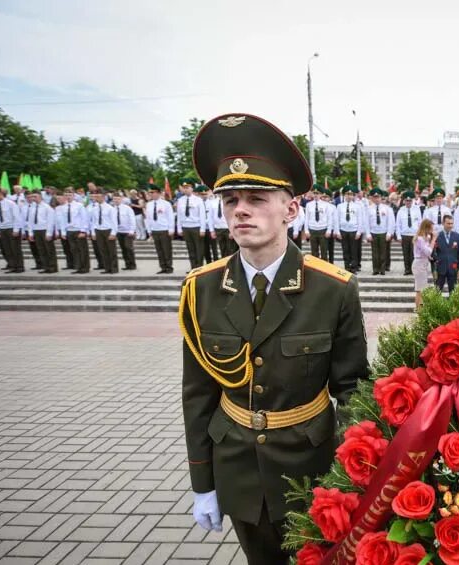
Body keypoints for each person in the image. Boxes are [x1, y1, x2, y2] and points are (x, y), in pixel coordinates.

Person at [181, 113, 369, 565]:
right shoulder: (201, 289)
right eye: (231, 200)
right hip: (238, 472)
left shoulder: (332, 288)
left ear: (291, 209)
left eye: (257, 198)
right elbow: (198, 394)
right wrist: (203, 483)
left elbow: (353, 391)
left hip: (310, 468)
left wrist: (355, 480)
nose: (240, 210)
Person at [0, 184, 25, 272]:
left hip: (11, 228)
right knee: (6, 249)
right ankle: (11, 265)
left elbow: (17, 217)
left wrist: (16, 230)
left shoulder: (10, 203)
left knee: (15, 249)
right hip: (1, 229)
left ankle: (19, 267)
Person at [176, 178, 206, 271]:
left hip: (196, 227)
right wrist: (179, 228)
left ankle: (199, 267)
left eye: (188, 187)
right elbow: (179, 215)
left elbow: (202, 215)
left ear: (192, 188)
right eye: (184, 187)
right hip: (186, 227)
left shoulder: (198, 200)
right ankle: (193, 267)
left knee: (199, 249)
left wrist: (202, 229)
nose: (186, 189)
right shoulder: (180, 200)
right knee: (190, 249)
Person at [25, 189, 58, 273]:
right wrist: (30, 233)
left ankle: (53, 267)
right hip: (36, 230)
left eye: (35, 196)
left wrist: (49, 233)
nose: (33, 198)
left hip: (45, 230)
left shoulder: (47, 207)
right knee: (41, 250)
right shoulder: (32, 207)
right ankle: (46, 266)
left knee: (49, 250)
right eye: (32, 197)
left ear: (40, 197)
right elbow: (30, 221)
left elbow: (51, 221)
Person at [145, 184, 175, 274]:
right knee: (159, 250)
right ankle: (163, 267)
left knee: (166, 250)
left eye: (153, 192)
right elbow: (148, 218)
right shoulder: (149, 204)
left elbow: (170, 217)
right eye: (150, 193)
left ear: (158, 193)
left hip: (164, 229)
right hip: (155, 229)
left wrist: (171, 229)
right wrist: (149, 230)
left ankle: (169, 267)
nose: (151, 194)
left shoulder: (166, 204)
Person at [335, 185, 364, 273]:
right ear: (344, 195)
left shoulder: (357, 206)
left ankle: (354, 268)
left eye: (351, 194)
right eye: (347, 194)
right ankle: (347, 267)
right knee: (345, 250)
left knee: (354, 250)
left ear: (353, 196)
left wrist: (359, 231)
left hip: (354, 230)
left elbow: (360, 219)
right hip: (343, 230)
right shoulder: (340, 206)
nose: (349, 196)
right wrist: (337, 231)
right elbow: (337, 219)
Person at [89, 188, 119, 274]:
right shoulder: (94, 208)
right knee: (103, 250)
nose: (96, 198)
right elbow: (93, 221)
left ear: (103, 197)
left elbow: (114, 222)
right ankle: (107, 268)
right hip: (98, 230)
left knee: (111, 250)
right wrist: (93, 232)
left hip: (108, 230)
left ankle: (113, 268)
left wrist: (113, 233)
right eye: (95, 196)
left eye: (98, 196)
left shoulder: (110, 208)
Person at [365, 187, 394, 275]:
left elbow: (391, 222)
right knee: (375, 253)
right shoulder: (368, 209)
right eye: (374, 197)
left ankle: (382, 269)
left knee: (383, 252)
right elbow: (366, 222)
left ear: (381, 197)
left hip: (383, 232)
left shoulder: (387, 208)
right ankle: (375, 269)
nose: (376, 199)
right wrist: (368, 233)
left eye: (378, 197)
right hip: (373, 232)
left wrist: (389, 233)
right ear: (372, 198)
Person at [433, 214, 459, 293]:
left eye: (451, 223)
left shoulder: (457, 236)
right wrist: (434, 268)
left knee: (453, 292)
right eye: (448, 223)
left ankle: (452, 306)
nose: (450, 226)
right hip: (440, 268)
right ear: (443, 223)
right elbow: (433, 253)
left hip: (453, 268)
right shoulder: (437, 236)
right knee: (437, 292)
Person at [303, 186, 333, 260]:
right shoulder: (309, 205)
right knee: (314, 252)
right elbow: (306, 218)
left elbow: (329, 218)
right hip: (312, 230)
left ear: (321, 195)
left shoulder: (326, 205)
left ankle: (324, 269)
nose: (316, 195)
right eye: (314, 193)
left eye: (318, 193)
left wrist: (329, 230)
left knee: (324, 251)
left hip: (323, 229)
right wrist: (306, 230)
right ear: (312, 194)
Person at [395, 191, 421, 275]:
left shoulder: (417, 209)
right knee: (405, 253)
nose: (408, 202)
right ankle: (407, 269)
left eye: (410, 201)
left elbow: (420, 223)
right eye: (406, 200)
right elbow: (398, 224)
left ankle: (413, 269)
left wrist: (419, 235)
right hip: (405, 235)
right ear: (404, 201)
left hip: (414, 235)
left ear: (412, 201)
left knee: (414, 254)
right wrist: (398, 236)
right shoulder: (401, 210)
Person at [413, 218, 436, 308]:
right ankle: (419, 309)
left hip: (424, 263)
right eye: (431, 229)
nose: (432, 231)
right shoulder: (419, 239)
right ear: (426, 228)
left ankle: (420, 308)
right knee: (419, 289)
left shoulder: (425, 238)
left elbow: (426, 254)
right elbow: (428, 251)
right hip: (419, 264)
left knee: (422, 289)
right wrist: (434, 239)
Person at [113, 192, 137, 270]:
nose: (116, 200)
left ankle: (132, 264)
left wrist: (132, 230)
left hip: (128, 231)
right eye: (115, 199)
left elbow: (132, 219)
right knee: (123, 249)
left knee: (128, 247)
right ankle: (127, 264)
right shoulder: (113, 209)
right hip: (119, 232)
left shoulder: (127, 208)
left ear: (121, 199)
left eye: (118, 199)